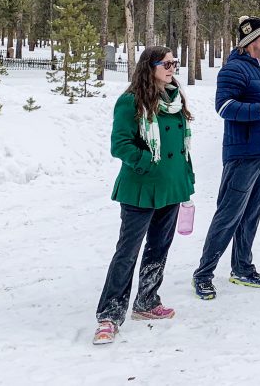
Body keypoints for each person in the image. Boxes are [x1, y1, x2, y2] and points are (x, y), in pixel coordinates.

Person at [193, 16, 260, 299]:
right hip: (241, 153)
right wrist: (258, 111)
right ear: (251, 40)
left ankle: (242, 267)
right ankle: (203, 274)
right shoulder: (234, 70)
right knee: (228, 215)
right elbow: (224, 107)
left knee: (251, 214)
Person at [93, 46, 195, 345]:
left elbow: (182, 148)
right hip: (141, 188)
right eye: (166, 63)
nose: (172, 67)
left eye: (174, 62)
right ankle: (109, 315)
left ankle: (147, 302)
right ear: (149, 66)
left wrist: (186, 179)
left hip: (172, 187)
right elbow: (120, 145)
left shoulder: (176, 99)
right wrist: (146, 161)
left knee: (158, 249)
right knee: (127, 253)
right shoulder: (130, 102)